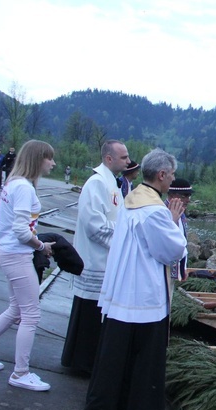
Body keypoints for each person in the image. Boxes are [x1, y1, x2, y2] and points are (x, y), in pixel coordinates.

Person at [85, 148, 187, 410]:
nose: (173, 180)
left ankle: (105, 401)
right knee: (143, 352)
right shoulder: (153, 210)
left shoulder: (133, 197)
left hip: (123, 283)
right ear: (162, 174)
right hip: (143, 289)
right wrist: (175, 223)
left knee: (117, 349)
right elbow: (171, 250)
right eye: (172, 175)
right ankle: (136, 406)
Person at [62, 139, 130, 375]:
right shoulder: (96, 183)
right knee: (88, 313)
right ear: (108, 158)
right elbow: (94, 225)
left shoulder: (112, 182)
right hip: (95, 259)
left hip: (104, 260)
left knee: (92, 314)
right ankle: (81, 364)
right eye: (124, 158)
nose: (128, 161)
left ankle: (83, 361)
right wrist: (123, 242)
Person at [0, 140, 56, 390]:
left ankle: (21, 372)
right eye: (49, 158)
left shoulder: (13, 184)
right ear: (37, 159)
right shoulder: (24, 188)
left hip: (9, 253)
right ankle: (20, 373)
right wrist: (42, 246)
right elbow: (22, 230)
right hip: (18, 255)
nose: (53, 163)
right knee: (31, 314)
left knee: (16, 309)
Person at [165, 177, 192, 282]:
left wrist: (183, 269)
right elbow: (169, 245)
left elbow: (182, 242)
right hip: (168, 270)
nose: (188, 200)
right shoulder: (163, 212)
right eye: (184, 196)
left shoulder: (181, 213)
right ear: (172, 195)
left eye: (189, 196)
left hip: (178, 268)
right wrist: (174, 275)